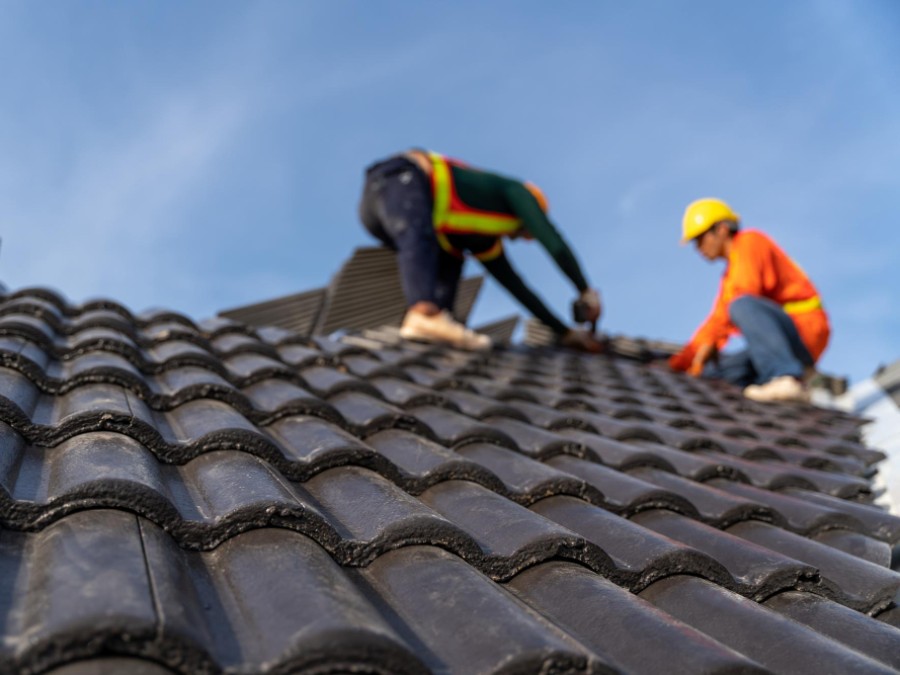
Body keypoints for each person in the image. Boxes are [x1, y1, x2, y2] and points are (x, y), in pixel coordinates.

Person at [358, 149, 602, 351]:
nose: (520, 238)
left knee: (451, 256)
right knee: (420, 235)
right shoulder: (519, 193)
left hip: (388, 211)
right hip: (396, 180)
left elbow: (516, 286)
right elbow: (553, 242)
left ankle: (439, 321)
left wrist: (565, 333)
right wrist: (584, 290)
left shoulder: (481, 239)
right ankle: (424, 313)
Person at [668, 198, 830, 403]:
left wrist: (712, 342)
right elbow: (717, 320)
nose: (698, 248)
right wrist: (679, 364)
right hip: (778, 341)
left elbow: (743, 295)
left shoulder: (750, 243)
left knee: (742, 305)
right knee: (716, 373)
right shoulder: (729, 276)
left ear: (722, 229)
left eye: (700, 239)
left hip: (803, 331)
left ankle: (785, 377)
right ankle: (778, 384)